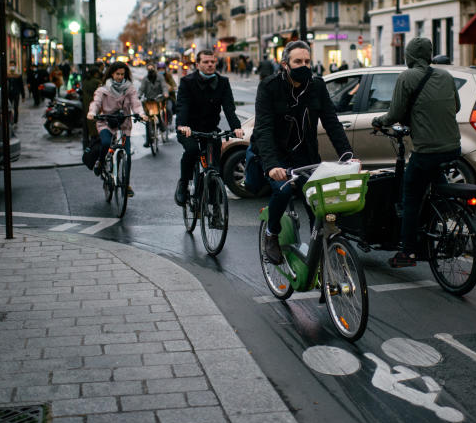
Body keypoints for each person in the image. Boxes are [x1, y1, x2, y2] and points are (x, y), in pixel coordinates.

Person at [252, 40, 355, 265]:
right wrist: (271, 166)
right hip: (276, 156)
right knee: (284, 190)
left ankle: (320, 250)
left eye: (307, 61)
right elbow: (264, 130)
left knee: (318, 203)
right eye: (298, 61)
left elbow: (331, 122)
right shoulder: (269, 87)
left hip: (305, 155)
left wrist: (346, 154)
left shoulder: (316, 86)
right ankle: (271, 233)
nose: (304, 65)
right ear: (285, 64)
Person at [371, 38, 461, 268]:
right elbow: (456, 106)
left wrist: (378, 121)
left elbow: (395, 113)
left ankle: (408, 252)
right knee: (438, 187)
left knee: (409, 196)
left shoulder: (407, 77)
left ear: (409, 57)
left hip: (426, 151)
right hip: (453, 147)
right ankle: (447, 224)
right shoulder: (446, 76)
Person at [174, 50, 244, 206]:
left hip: (211, 129)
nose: (210, 64)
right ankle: (183, 184)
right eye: (205, 62)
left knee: (214, 166)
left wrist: (236, 128)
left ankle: (214, 203)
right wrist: (182, 125)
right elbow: (182, 105)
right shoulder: (187, 81)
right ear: (197, 64)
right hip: (189, 129)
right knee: (191, 151)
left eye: (212, 61)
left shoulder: (223, 82)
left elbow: (229, 108)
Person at [86, 61, 147, 197]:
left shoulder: (129, 89)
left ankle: (126, 184)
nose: (120, 77)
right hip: (106, 122)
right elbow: (95, 103)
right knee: (106, 143)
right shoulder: (103, 89)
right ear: (111, 74)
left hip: (123, 124)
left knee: (127, 155)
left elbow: (136, 104)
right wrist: (92, 112)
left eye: (122, 74)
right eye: (117, 74)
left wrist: (141, 114)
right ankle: (101, 162)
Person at [138, 66, 168, 147]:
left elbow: (164, 86)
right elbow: (141, 89)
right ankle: (148, 140)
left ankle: (162, 127)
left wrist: (165, 93)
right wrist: (139, 95)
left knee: (158, 114)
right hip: (148, 101)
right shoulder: (145, 79)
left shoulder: (160, 77)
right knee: (147, 120)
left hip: (158, 100)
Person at [80, 66, 103, 149]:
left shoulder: (85, 81)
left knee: (91, 125)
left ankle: (92, 144)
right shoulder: (96, 82)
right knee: (97, 126)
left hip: (87, 106)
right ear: (96, 73)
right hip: (96, 106)